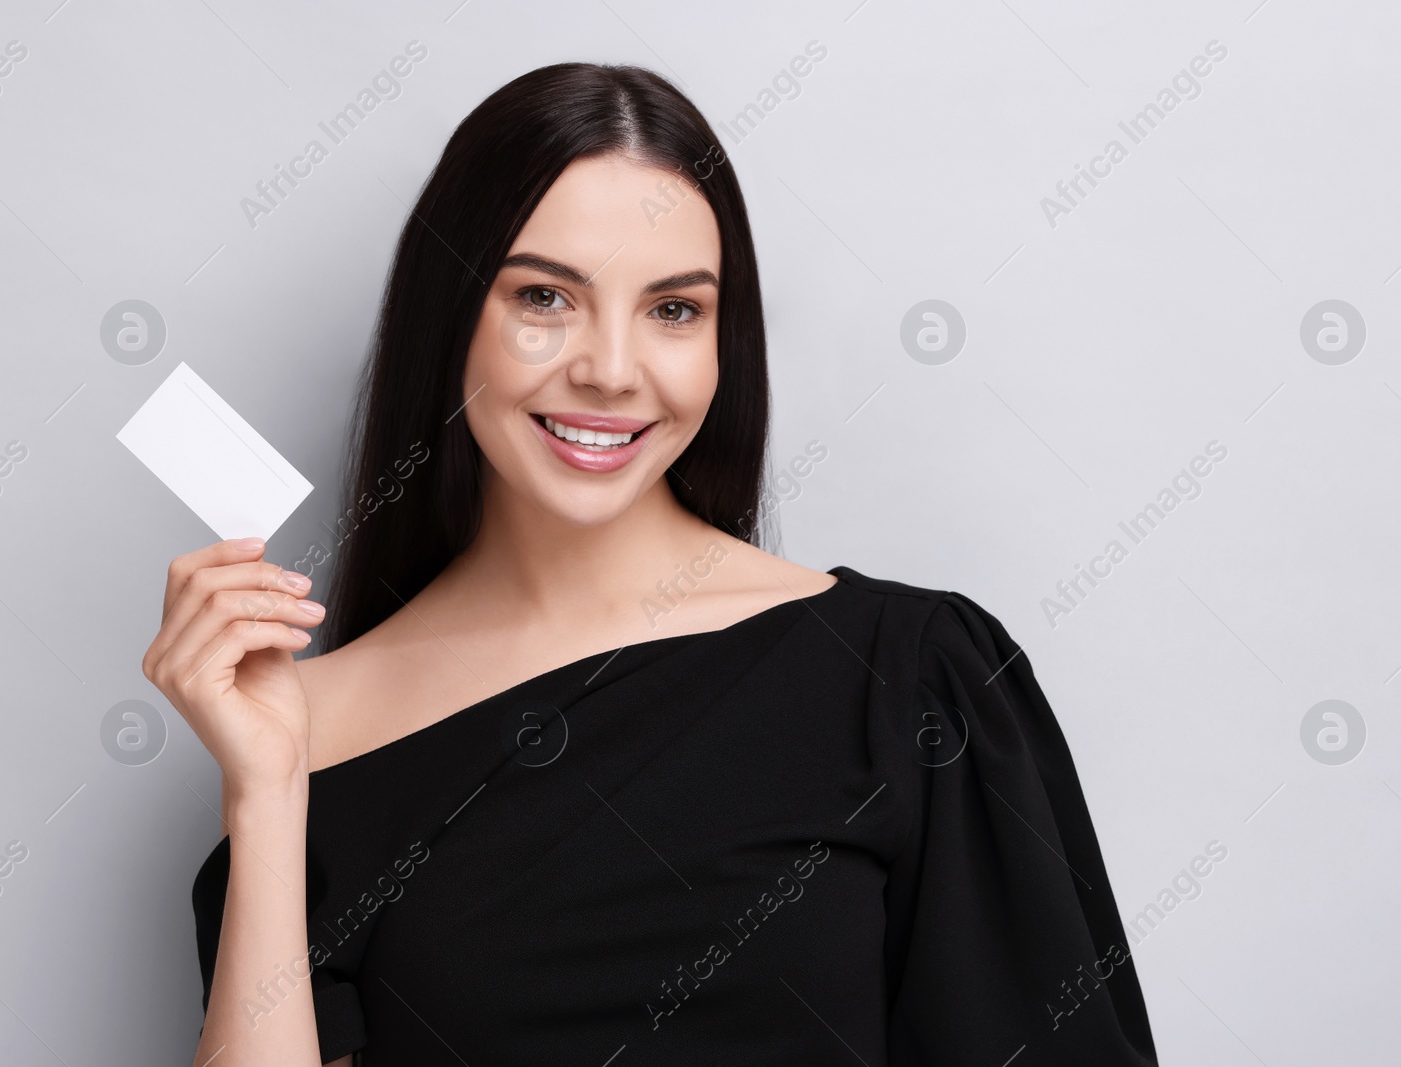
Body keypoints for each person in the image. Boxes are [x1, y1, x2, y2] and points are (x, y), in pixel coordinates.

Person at [143, 62, 1159, 1066]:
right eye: (544, 297)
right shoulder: (304, 740)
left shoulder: (905, 676)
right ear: (450, 318)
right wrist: (268, 792)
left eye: (673, 309)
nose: (611, 369)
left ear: (726, 341)